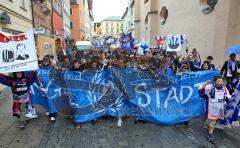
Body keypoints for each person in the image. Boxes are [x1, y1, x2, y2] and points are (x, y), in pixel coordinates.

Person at [198, 76, 231, 144]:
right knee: (212, 122)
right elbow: (200, 90)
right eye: (218, 81)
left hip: (220, 108)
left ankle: (208, 125)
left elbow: (229, 97)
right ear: (215, 82)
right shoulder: (209, 87)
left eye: (221, 81)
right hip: (211, 108)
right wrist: (205, 84)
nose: (220, 83)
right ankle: (210, 135)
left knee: (215, 120)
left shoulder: (224, 88)